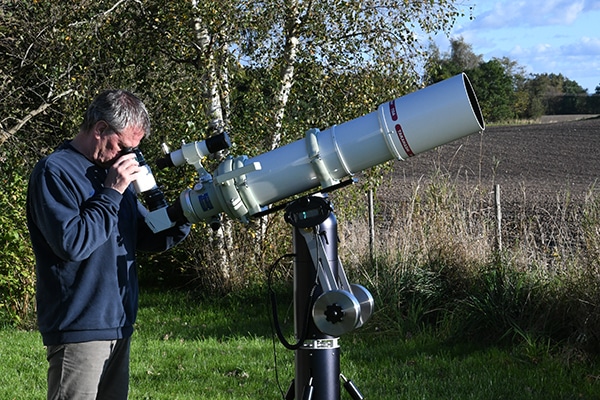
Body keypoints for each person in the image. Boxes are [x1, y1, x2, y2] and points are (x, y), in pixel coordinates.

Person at [26, 89, 191, 399]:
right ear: (100, 129)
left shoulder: (112, 175)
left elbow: (143, 235)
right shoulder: (55, 172)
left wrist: (184, 213)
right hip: (79, 329)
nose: (128, 157)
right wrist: (111, 192)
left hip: (117, 324)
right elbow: (73, 244)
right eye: (124, 147)